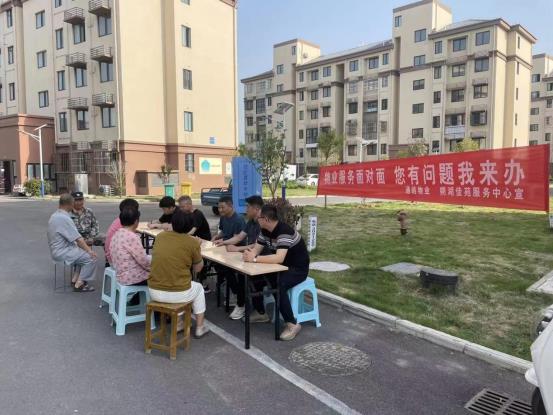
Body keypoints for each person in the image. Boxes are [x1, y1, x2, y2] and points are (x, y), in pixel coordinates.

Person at [243, 205, 310, 341]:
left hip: (297, 269)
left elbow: (279, 258)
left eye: (259, 217)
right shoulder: (264, 230)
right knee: (253, 277)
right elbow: (256, 250)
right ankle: (261, 312)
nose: (257, 219)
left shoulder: (284, 231)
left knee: (279, 284)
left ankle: (292, 324)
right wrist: (249, 254)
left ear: (266, 219)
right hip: (280, 267)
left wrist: (254, 259)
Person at [148, 209, 209, 338]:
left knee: (178, 281)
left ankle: (180, 323)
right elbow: (198, 269)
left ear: (173, 223)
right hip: (177, 293)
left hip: (154, 290)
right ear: (189, 226)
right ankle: (200, 327)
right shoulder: (192, 242)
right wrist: (197, 247)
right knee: (198, 288)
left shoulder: (160, 237)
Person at [47, 193, 98, 292]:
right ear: (70, 204)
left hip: (58, 249)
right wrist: (90, 251)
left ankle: (75, 280)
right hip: (62, 252)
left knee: (82, 253)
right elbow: (78, 239)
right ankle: (79, 284)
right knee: (91, 258)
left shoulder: (55, 215)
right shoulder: (64, 218)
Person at [211, 196, 247, 320]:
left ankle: (236, 295)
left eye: (223, 207)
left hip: (236, 250)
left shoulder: (239, 219)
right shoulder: (223, 217)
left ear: (231, 206)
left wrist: (223, 241)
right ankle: (231, 290)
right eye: (219, 207)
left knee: (227, 269)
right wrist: (216, 237)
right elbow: (223, 232)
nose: (220, 210)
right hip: (224, 247)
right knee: (216, 264)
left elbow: (237, 239)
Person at [178, 195, 212, 292]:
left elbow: (193, 230)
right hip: (192, 241)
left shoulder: (197, 214)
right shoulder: (184, 214)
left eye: (182, 206)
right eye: (180, 207)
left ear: (189, 205)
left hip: (203, 242)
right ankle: (189, 281)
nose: (180, 209)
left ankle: (203, 283)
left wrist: (180, 237)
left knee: (200, 261)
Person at [110, 207, 151, 286]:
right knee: (163, 273)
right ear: (136, 221)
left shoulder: (117, 234)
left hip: (120, 275)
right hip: (133, 278)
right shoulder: (132, 237)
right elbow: (144, 261)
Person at [104, 198, 140, 266]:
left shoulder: (120, 221)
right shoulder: (127, 227)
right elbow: (141, 259)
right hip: (117, 261)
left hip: (112, 257)